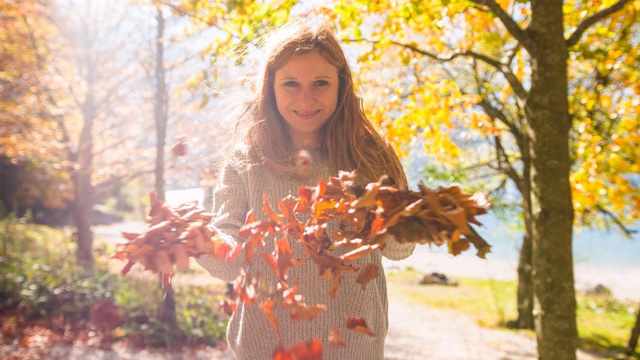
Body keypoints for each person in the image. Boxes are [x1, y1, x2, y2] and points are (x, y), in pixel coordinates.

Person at [196, 21, 416, 359]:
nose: (306, 98)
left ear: (341, 85)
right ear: (270, 88)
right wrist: (202, 242)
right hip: (265, 347)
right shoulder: (247, 161)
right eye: (291, 84)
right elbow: (230, 260)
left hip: (353, 349)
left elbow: (400, 251)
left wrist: (398, 219)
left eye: (320, 83)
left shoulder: (370, 156)